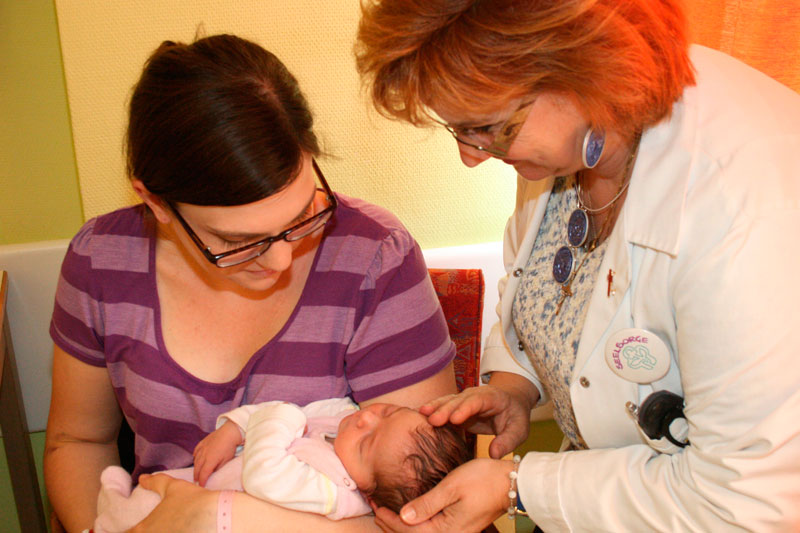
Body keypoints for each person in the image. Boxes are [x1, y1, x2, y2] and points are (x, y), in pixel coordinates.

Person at [355, 0, 800, 531]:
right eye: (459, 130)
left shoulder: (745, 207)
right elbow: (547, 291)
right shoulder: (568, 142)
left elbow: (748, 501)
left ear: (583, 73)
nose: (472, 156)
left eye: (487, 128)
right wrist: (515, 387)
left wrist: (519, 486)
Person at [44, 33, 458, 533]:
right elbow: (78, 441)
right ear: (155, 202)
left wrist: (220, 517)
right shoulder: (101, 262)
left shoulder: (375, 257)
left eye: (302, 215)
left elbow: (421, 511)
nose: (281, 260)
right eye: (236, 241)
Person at [92, 398, 470, 532]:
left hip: (202, 511)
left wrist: (281, 417)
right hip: (194, 483)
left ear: (371, 497)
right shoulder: (342, 413)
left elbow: (264, 474)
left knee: (137, 512)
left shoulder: (334, 493)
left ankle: (110, 515)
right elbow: (279, 409)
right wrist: (236, 428)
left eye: (367, 442)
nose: (365, 418)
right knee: (148, 492)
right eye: (388, 413)